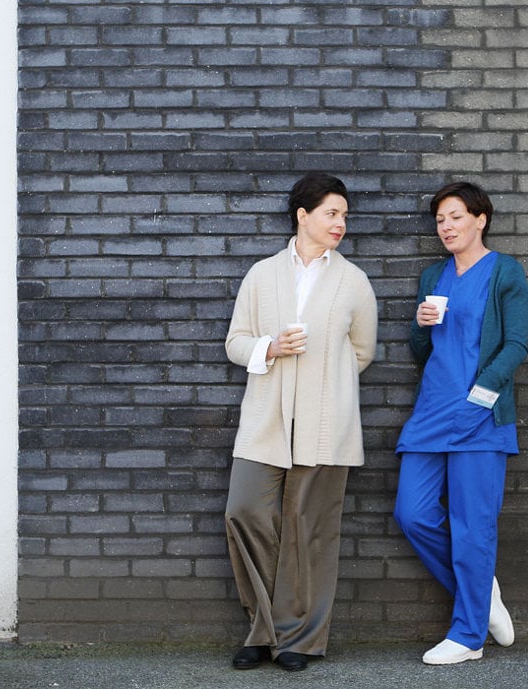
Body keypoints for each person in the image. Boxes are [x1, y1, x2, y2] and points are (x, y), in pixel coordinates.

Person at [223, 173, 378, 672]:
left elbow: (362, 352)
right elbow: (235, 342)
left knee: (308, 529)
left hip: (326, 427)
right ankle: (263, 628)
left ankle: (298, 641)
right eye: (332, 213)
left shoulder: (353, 281)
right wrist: (269, 348)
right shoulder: (262, 275)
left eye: (345, 216)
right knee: (245, 513)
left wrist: (323, 384)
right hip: (265, 420)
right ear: (303, 215)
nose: (341, 224)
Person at [392, 181, 528, 665]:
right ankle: (481, 590)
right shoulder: (435, 274)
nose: (446, 227)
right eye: (440, 220)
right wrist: (421, 325)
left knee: (473, 528)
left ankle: (469, 635)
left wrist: (482, 395)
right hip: (432, 412)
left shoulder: (505, 272)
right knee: (412, 513)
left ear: (480, 219)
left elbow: (516, 344)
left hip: (480, 416)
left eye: (455, 217)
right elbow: (419, 350)